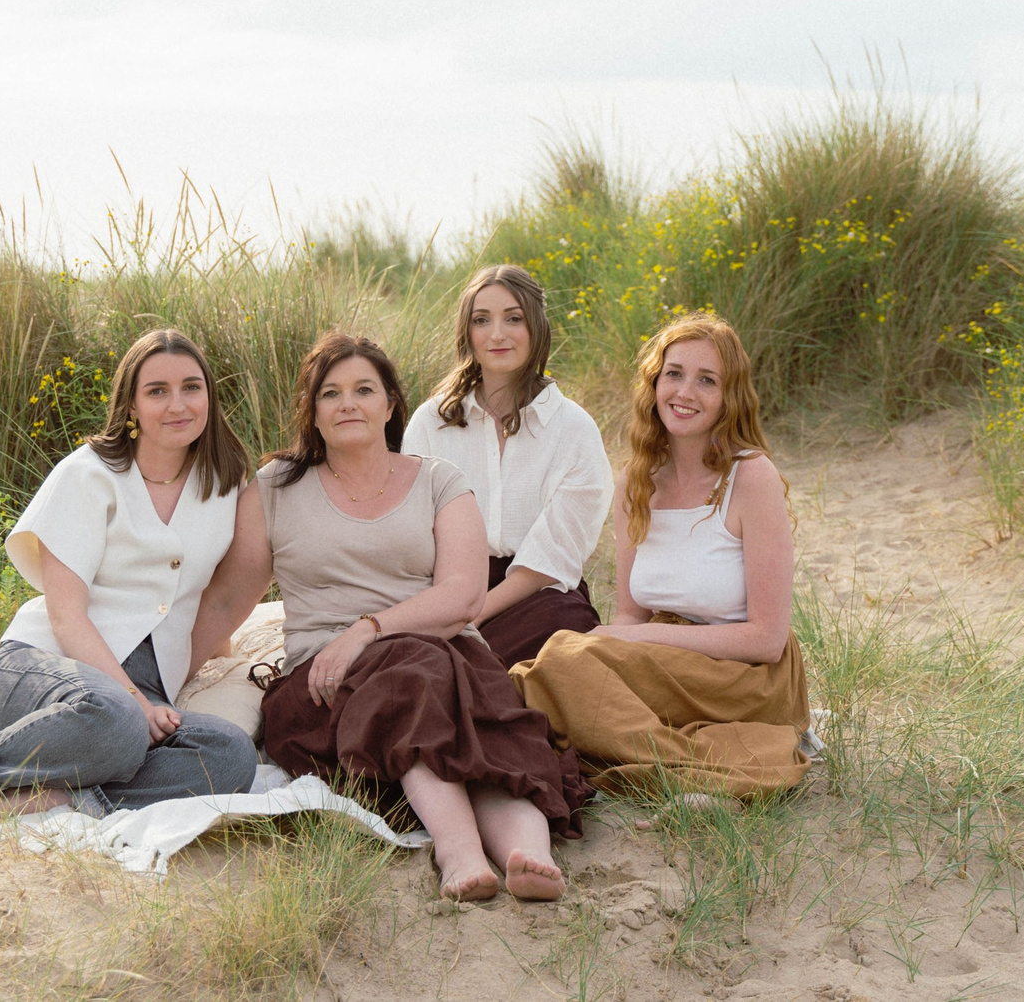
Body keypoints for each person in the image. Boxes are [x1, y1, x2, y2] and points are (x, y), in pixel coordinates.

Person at [196, 332, 591, 903]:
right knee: (414, 688)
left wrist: (368, 629)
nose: (347, 403)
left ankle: (528, 856)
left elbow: (462, 596)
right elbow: (229, 601)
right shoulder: (275, 488)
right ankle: (458, 852)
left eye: (363, 390)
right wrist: (155, 682)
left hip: (444, 653)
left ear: (390, 404)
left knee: (474, 718)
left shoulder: (439, 480)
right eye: (330, 393)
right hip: (327, 683)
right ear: (312, 409)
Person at [0, 330, 260, 835]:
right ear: (131, 404)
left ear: (209, 395)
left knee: (231, 754)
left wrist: (169, 685)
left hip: (145, 687)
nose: (178, 405)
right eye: (157, 391)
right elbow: (66, 615)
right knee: (119, 721)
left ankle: (55, 793)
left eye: (192, 387)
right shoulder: (89, 475)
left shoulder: (226, 483)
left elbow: (213, 593)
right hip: (47, 666)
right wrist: (137, 703)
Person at [508, 314, 810, 798]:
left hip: (744, 676)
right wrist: (606, 647)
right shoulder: (635, 482)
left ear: (728, 397)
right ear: (654, 383)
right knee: (539, 675)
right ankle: (694, 763)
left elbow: (767, 641)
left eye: (706, 380)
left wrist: (624, 643)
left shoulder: (751, 477)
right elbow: (631, 613)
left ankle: (715, 764)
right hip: (665, 663)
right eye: (674, 373)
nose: (685, 392)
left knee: (560, 666)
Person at [403, 265, 612, 668]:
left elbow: (550, 558)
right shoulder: (431, 422)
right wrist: (448, 608)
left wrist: (472, 616)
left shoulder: (574, 429)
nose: (497, 334)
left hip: (539, 600)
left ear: (535, 326)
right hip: (447, 591)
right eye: (482, 320)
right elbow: (413, 535)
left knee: (567, 648)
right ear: (468, 332)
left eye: (513, 318)